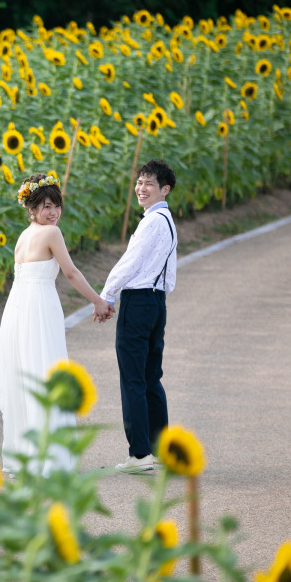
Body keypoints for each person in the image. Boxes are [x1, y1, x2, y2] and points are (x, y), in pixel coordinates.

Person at [0, 173, 113, 475]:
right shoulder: (52, 234)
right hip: (37, 308)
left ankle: (26, 453)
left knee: (25, 374)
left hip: (18, 308)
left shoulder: (25, 235)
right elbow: (71, 273)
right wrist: (98, 301)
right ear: (32, 208)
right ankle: (48, 457)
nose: (53, 212)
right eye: (45, 206)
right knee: (45, 372)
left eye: (56, 206)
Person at [96, 159, 178, 473]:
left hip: (139, 301)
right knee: (150, 378)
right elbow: (170, 274)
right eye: (140, 182)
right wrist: (157, 300)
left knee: (133, 378)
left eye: (149, 184)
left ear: (164, 190)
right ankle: (157, 450)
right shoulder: (166, 220)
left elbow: (130, 262)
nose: (141, 189)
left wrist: (107, 295)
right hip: (156, 302)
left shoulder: (152, 222)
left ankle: (140, 454)